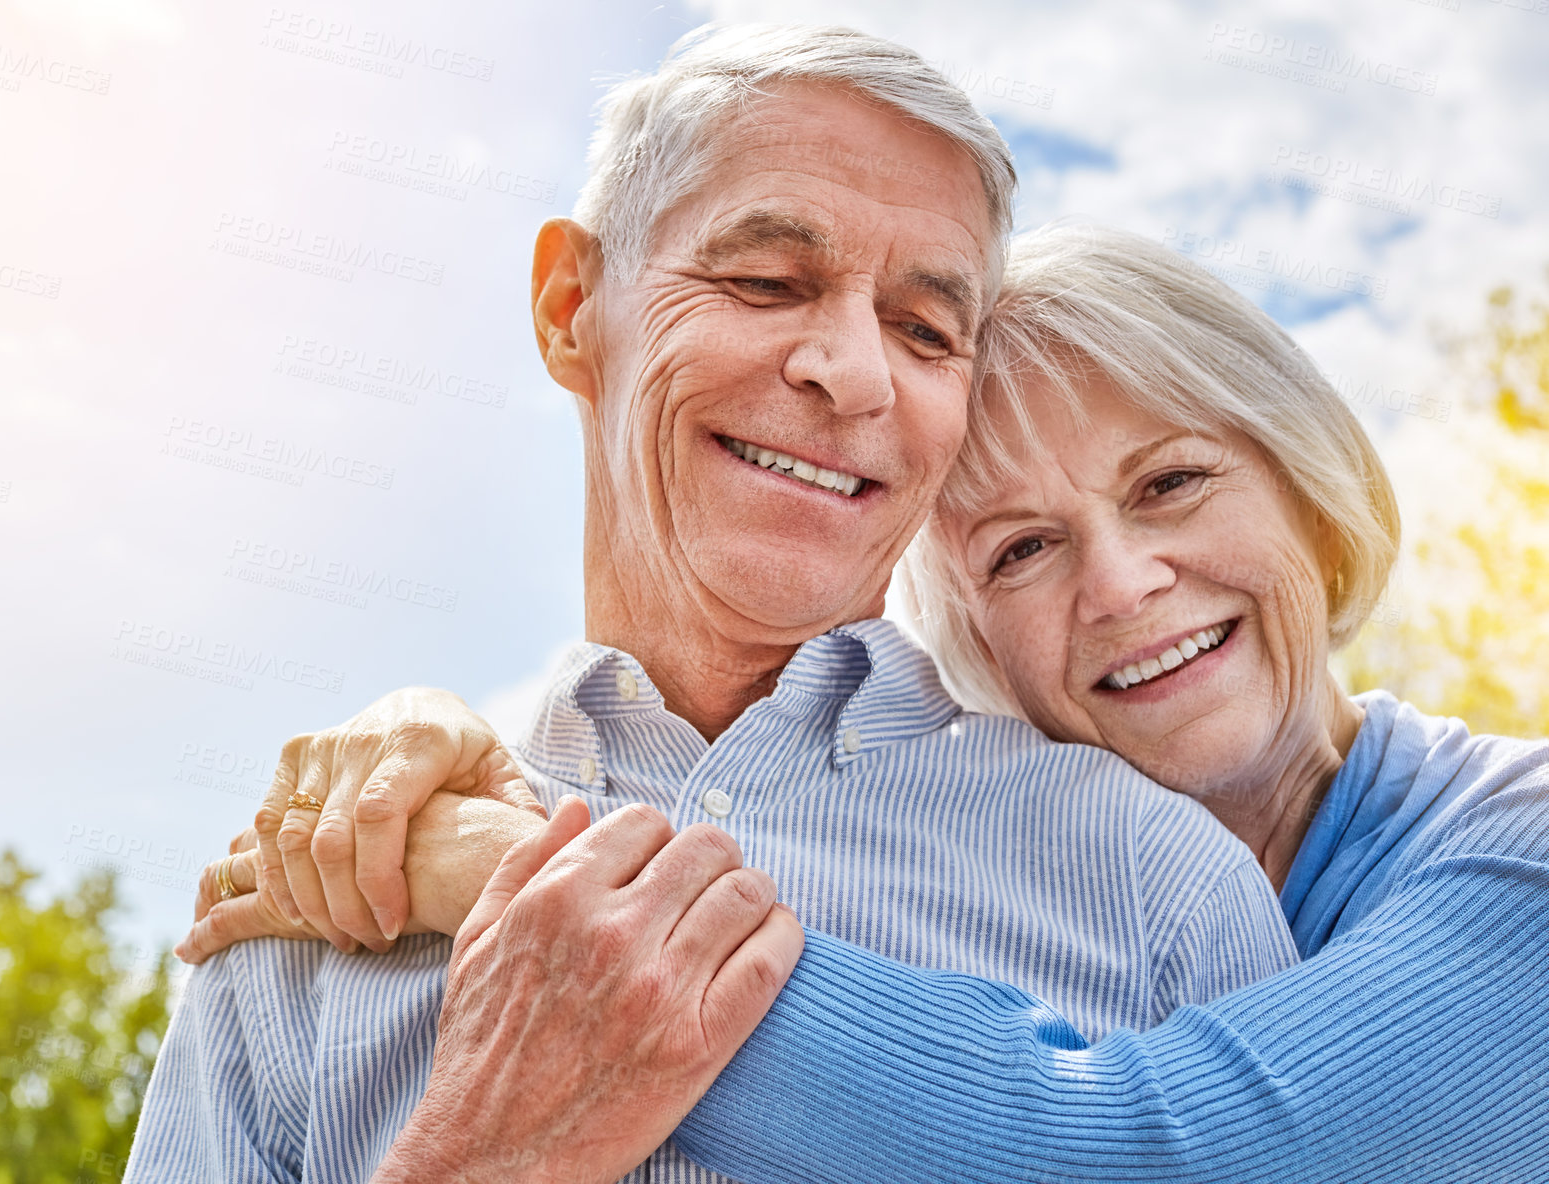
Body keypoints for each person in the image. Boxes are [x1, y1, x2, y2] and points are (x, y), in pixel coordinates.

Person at [126, 25, 1305, 1184]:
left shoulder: (1153, 883)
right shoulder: (323, 892)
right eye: (765, 279)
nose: (850, 370)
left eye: (926, 330)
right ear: (568, 305)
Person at [193, 222, 1549, 1181]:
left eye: (1171, 483)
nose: (1125, 583)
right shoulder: (1023, 880)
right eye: (1018, 550)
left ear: (1308, 488)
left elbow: (1131, 1152)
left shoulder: (1519, 840)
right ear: (965, 641)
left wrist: (512, 872)